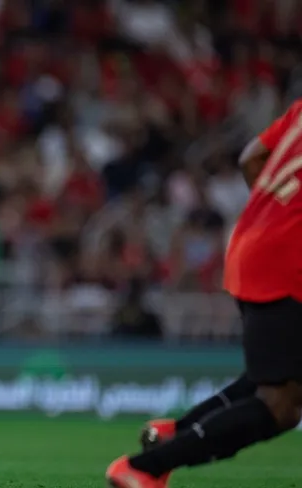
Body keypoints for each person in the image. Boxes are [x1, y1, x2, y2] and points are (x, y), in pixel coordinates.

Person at [106, 99, 302, 487]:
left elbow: (251, 158)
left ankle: (176, 433)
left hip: (253, 243)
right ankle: (144, 468)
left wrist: (279, 216)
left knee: (283, 374)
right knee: (281, 403)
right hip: (285, 262)